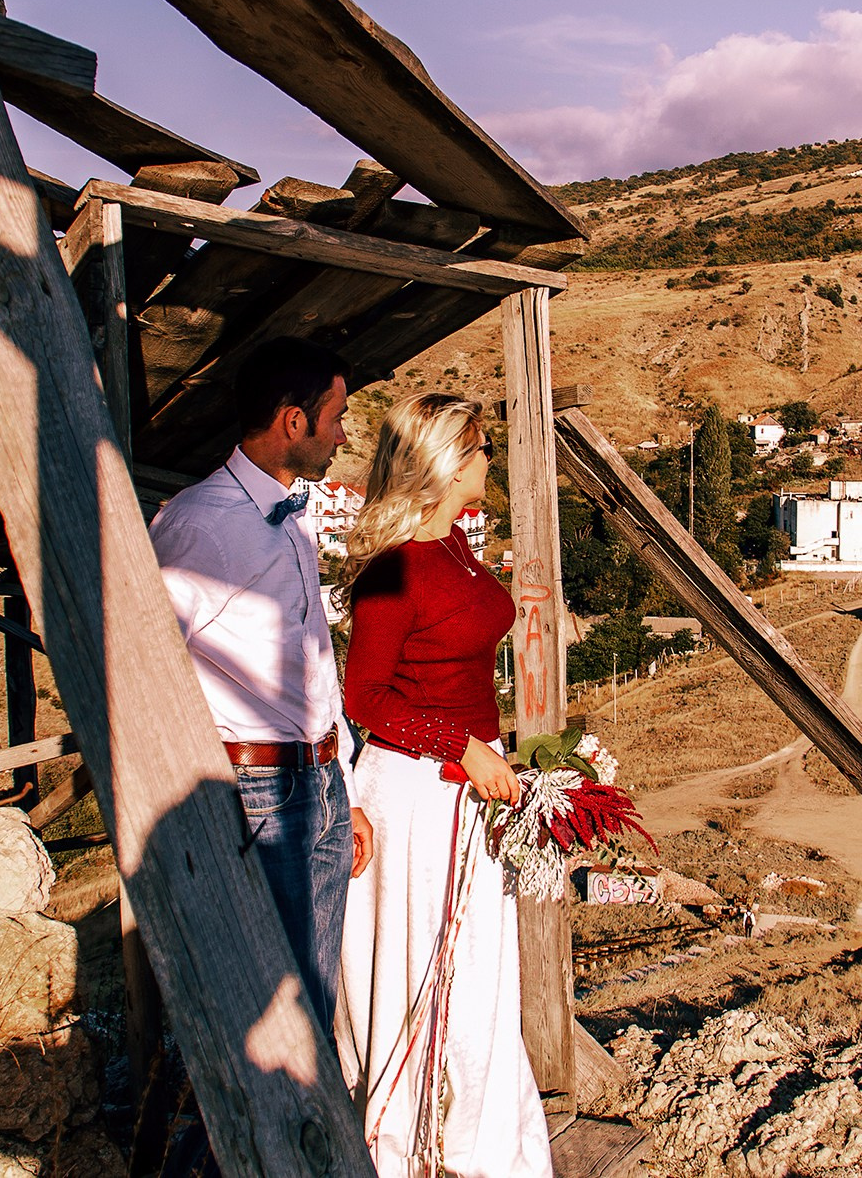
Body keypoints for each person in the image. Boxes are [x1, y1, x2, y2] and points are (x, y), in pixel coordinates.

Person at [335, 393, 552, 1178]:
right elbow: (365, 698)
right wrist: (464, 748)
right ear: (450, 460)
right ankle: (412, 1147)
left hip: (466, 782)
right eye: (482, 446)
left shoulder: (455, 543)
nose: (491, 457)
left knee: (478, 972)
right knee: (429, 969)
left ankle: (475, 1146)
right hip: (419, 792)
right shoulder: (394, 570)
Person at [148, 337, 375, 1033]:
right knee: (263, 1015)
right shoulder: (199, 524)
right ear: (293, 422)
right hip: (255, 795)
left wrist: (345, 791)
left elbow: (314, 668)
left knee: (315, 1004)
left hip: (320, 784)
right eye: (336, 418)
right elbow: (145, 669)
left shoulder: (290, 517)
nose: (344, 436)